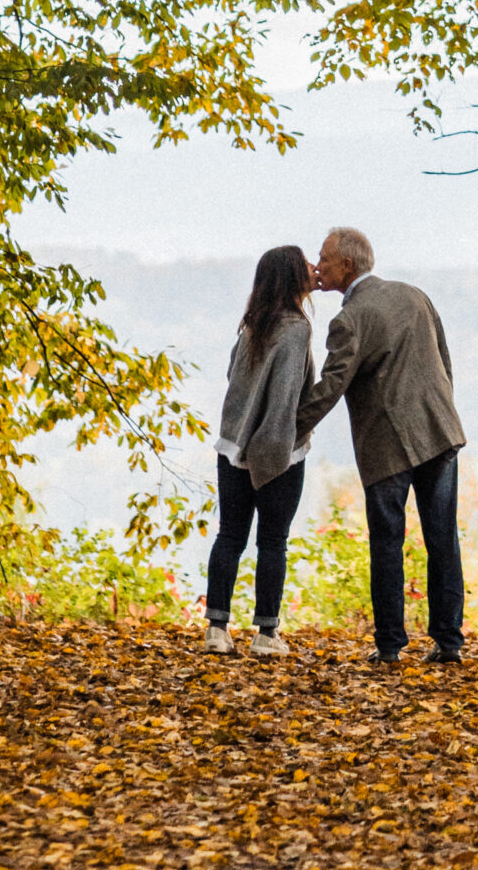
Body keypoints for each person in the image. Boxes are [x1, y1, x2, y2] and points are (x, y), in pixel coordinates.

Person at [296, 225, 466, 664]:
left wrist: (289, 430)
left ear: (346, 265)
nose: (317, 266)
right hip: (439, 430)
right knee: (442, 538)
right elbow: (444, 360)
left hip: (387, 444)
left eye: (324, 259)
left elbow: (331, 387)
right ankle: (449, 642)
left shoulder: (350, 319)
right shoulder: (414, 295)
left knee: (387, 543)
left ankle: (390, 646)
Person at [202, 243, 315, 657]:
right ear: (291, 275)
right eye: (305, 264)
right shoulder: (298, 328)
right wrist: (281, 446)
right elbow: (287, 394)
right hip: (280, 451)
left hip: (233, 446)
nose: (312, 268)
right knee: (273, 541)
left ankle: (217, 628)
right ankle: (266, 635)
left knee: (230, 536)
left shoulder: (251, 325)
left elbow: (234, 373)